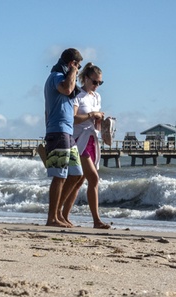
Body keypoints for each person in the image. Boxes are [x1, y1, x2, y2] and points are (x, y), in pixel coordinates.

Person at [61, 63, 110, 229]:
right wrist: (91, 115)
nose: (96, 86)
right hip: (78, 140)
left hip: (92, 139)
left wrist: (100, 120)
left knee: (79, 181)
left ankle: (63, 215)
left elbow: (93, 120)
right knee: (93, 178)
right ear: (86, 78)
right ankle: (96, 220)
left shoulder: (97, 97)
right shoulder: (77, 94)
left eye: (99, 83)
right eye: (94, 82)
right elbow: (73, 118)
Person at [43, 48, 84, 228]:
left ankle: (57, 213)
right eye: (78, 66)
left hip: (67, 132)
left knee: (76, 174)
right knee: (60, 176)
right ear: (71, 64)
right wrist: (73, 71)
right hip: (58, 130)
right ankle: (52, 218)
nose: (79, 70)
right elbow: (67, 89)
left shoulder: (64, 77)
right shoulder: (56, 77)